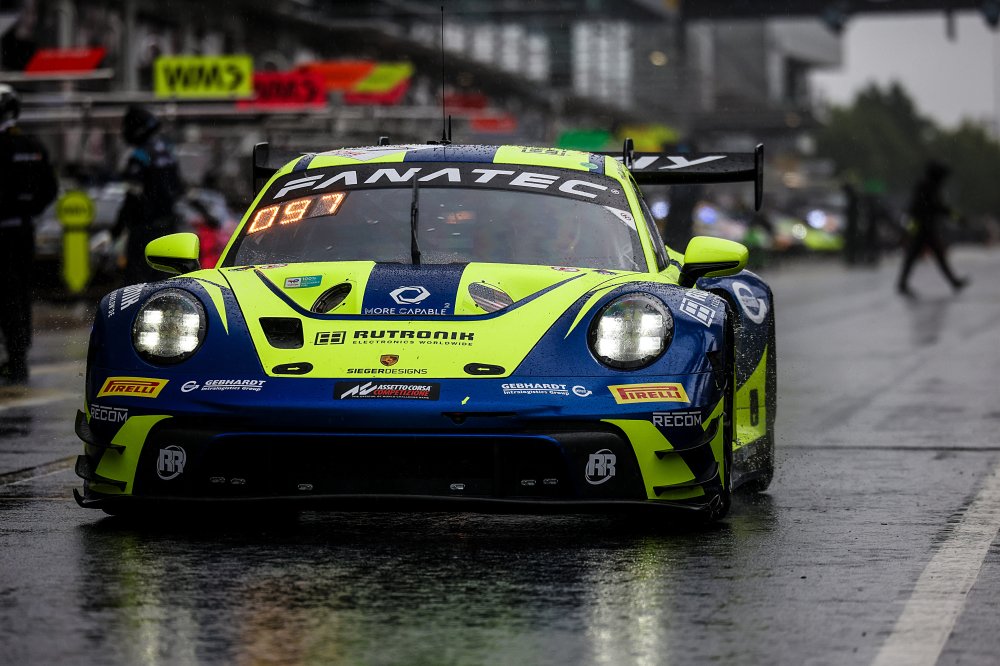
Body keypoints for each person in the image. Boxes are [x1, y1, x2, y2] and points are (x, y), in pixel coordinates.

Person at [0, 84, 58, 385]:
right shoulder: (33, 146)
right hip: (23, 231)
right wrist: (29, 210)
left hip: (5, 233)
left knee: (7, 296)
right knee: (19, 294)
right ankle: (18, 356)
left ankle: (15, 360)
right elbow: (50, 189)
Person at [113, 105, 183, 285]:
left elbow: (132, 199)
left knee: (137, 284)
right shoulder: (167, 151)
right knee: (164, 279)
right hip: (168, 227)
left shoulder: (140, 156)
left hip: (144, 231)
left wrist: (116, 230)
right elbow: (178, 189)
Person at [896, 160, 968, 296]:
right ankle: (953, 282)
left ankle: (902, 284)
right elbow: (937, 207)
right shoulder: (928, 187)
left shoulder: (926, 186)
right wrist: (957, 217)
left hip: (922, 226)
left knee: (917, 256)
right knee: (928, 255)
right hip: (923, 226)